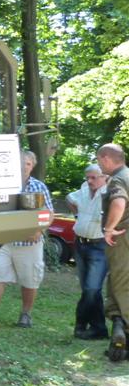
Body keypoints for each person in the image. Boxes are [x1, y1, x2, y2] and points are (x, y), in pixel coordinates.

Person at [0, 150, 53, 327]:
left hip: (28, 242)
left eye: (28, 164)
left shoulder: (39, 187)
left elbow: (48, 213)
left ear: (33, 166)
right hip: (4, 241)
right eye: (21, 163)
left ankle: (25, 315)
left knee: (30, 279)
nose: (24, 166)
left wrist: (39, 230)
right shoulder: (2, 185)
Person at [66, 164, 109, 339]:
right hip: (80, 244)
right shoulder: (84, 188)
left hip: (99, 247)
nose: (89, 181)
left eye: (94, 177)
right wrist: (77, 216)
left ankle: (81, 324)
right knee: (91, 290)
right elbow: (69, 197)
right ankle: (99, 328)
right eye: (87, 177)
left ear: (104, 177)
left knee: (91, 289)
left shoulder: (110, 193)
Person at [97, 143, 129, 362]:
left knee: (121, 285)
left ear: (107, 158)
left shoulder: (118, 179)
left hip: (123, 238)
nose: (99, 164)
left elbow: (118, 202)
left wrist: (109, 228)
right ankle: (120, 336)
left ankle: (122, 328)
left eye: (99, 160)